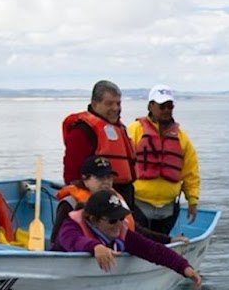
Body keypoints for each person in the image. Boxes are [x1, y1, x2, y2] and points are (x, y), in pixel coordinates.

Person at [55, 191, 203, 287]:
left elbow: (153, 250)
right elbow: (73, 241)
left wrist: (185, 268)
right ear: (93, 220)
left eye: (121, 218)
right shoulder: (70, 226)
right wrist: (95, 247)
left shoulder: (122, 232)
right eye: (112, 220)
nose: (119, 224)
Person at [128, 84, 200, 237]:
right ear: (150, 106)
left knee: (160, 245)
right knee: (143, 242)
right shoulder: (134, 131)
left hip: (168, 207)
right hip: (138, 203)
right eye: (162, 106)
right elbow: (122, 163)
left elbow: (190, 172)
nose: (167, 110)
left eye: (170, 106)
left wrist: (192, 200)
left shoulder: (182, 137)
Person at [61, 80, 136, 210]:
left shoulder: (120, 129)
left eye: (118, 103)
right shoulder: (81, 132)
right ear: (95, 104)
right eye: (109, 104)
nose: (116, 108)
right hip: (98, 206)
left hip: (122, 199)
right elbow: (72, 177)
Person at [49, 154, 119, 247]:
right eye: (100, 178)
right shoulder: (69, 204)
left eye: (109, 177)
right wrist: (93, 247)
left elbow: (130, 230)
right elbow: (57, 239)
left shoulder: (114, 200)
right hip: (80, 252)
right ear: (85, 179)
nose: (106, 182)